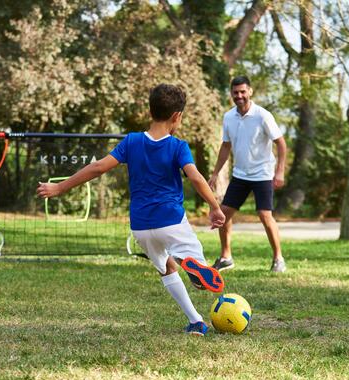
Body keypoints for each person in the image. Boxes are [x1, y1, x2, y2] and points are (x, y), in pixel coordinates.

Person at [37, 83, 225, 336]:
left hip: (141, 226)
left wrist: (60, 188)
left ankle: (195, 321)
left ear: (150, 111)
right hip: (171, 220)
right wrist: (214, 206)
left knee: (166, 268)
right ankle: (192, 262)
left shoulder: (132, 141)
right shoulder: (178, 146)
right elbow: (196, 177)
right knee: (196, 270)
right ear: (177, 116)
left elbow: (98, 167)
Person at [208, 76, 287, 273]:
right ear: (231, 94)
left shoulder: (263, 115)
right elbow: (225, 146)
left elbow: (281, 143)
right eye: (236, 92)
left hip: (262, 174)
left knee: (264, 214)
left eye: (243, 92)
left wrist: (280, 172)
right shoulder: (228, 117)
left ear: (250, 91)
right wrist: (215, 173)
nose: (239, 96)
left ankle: (278, 258)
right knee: (223, 214)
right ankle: (226, 256)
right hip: (240, 174)